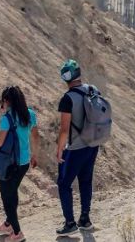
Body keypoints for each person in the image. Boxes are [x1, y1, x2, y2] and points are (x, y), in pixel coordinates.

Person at [0, 86, 38, 242]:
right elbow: (35, 136)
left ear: (6, 101)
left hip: (10, 164)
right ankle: (9, 223)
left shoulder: (6, 119)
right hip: (24, 163)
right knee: (12, 191)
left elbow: (0, 141)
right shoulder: (30, 114)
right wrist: (35, 155)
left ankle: (17, 233)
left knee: (7, 197)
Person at [55, 59, 100, 235]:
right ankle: (85, 219)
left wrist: (59, 149)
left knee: (64, 184)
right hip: (93, 144)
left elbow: (64, 129)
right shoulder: (93, 89)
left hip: (76, 148)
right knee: (85, 180)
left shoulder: (67, 99)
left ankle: (70, 223)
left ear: (65, 78)